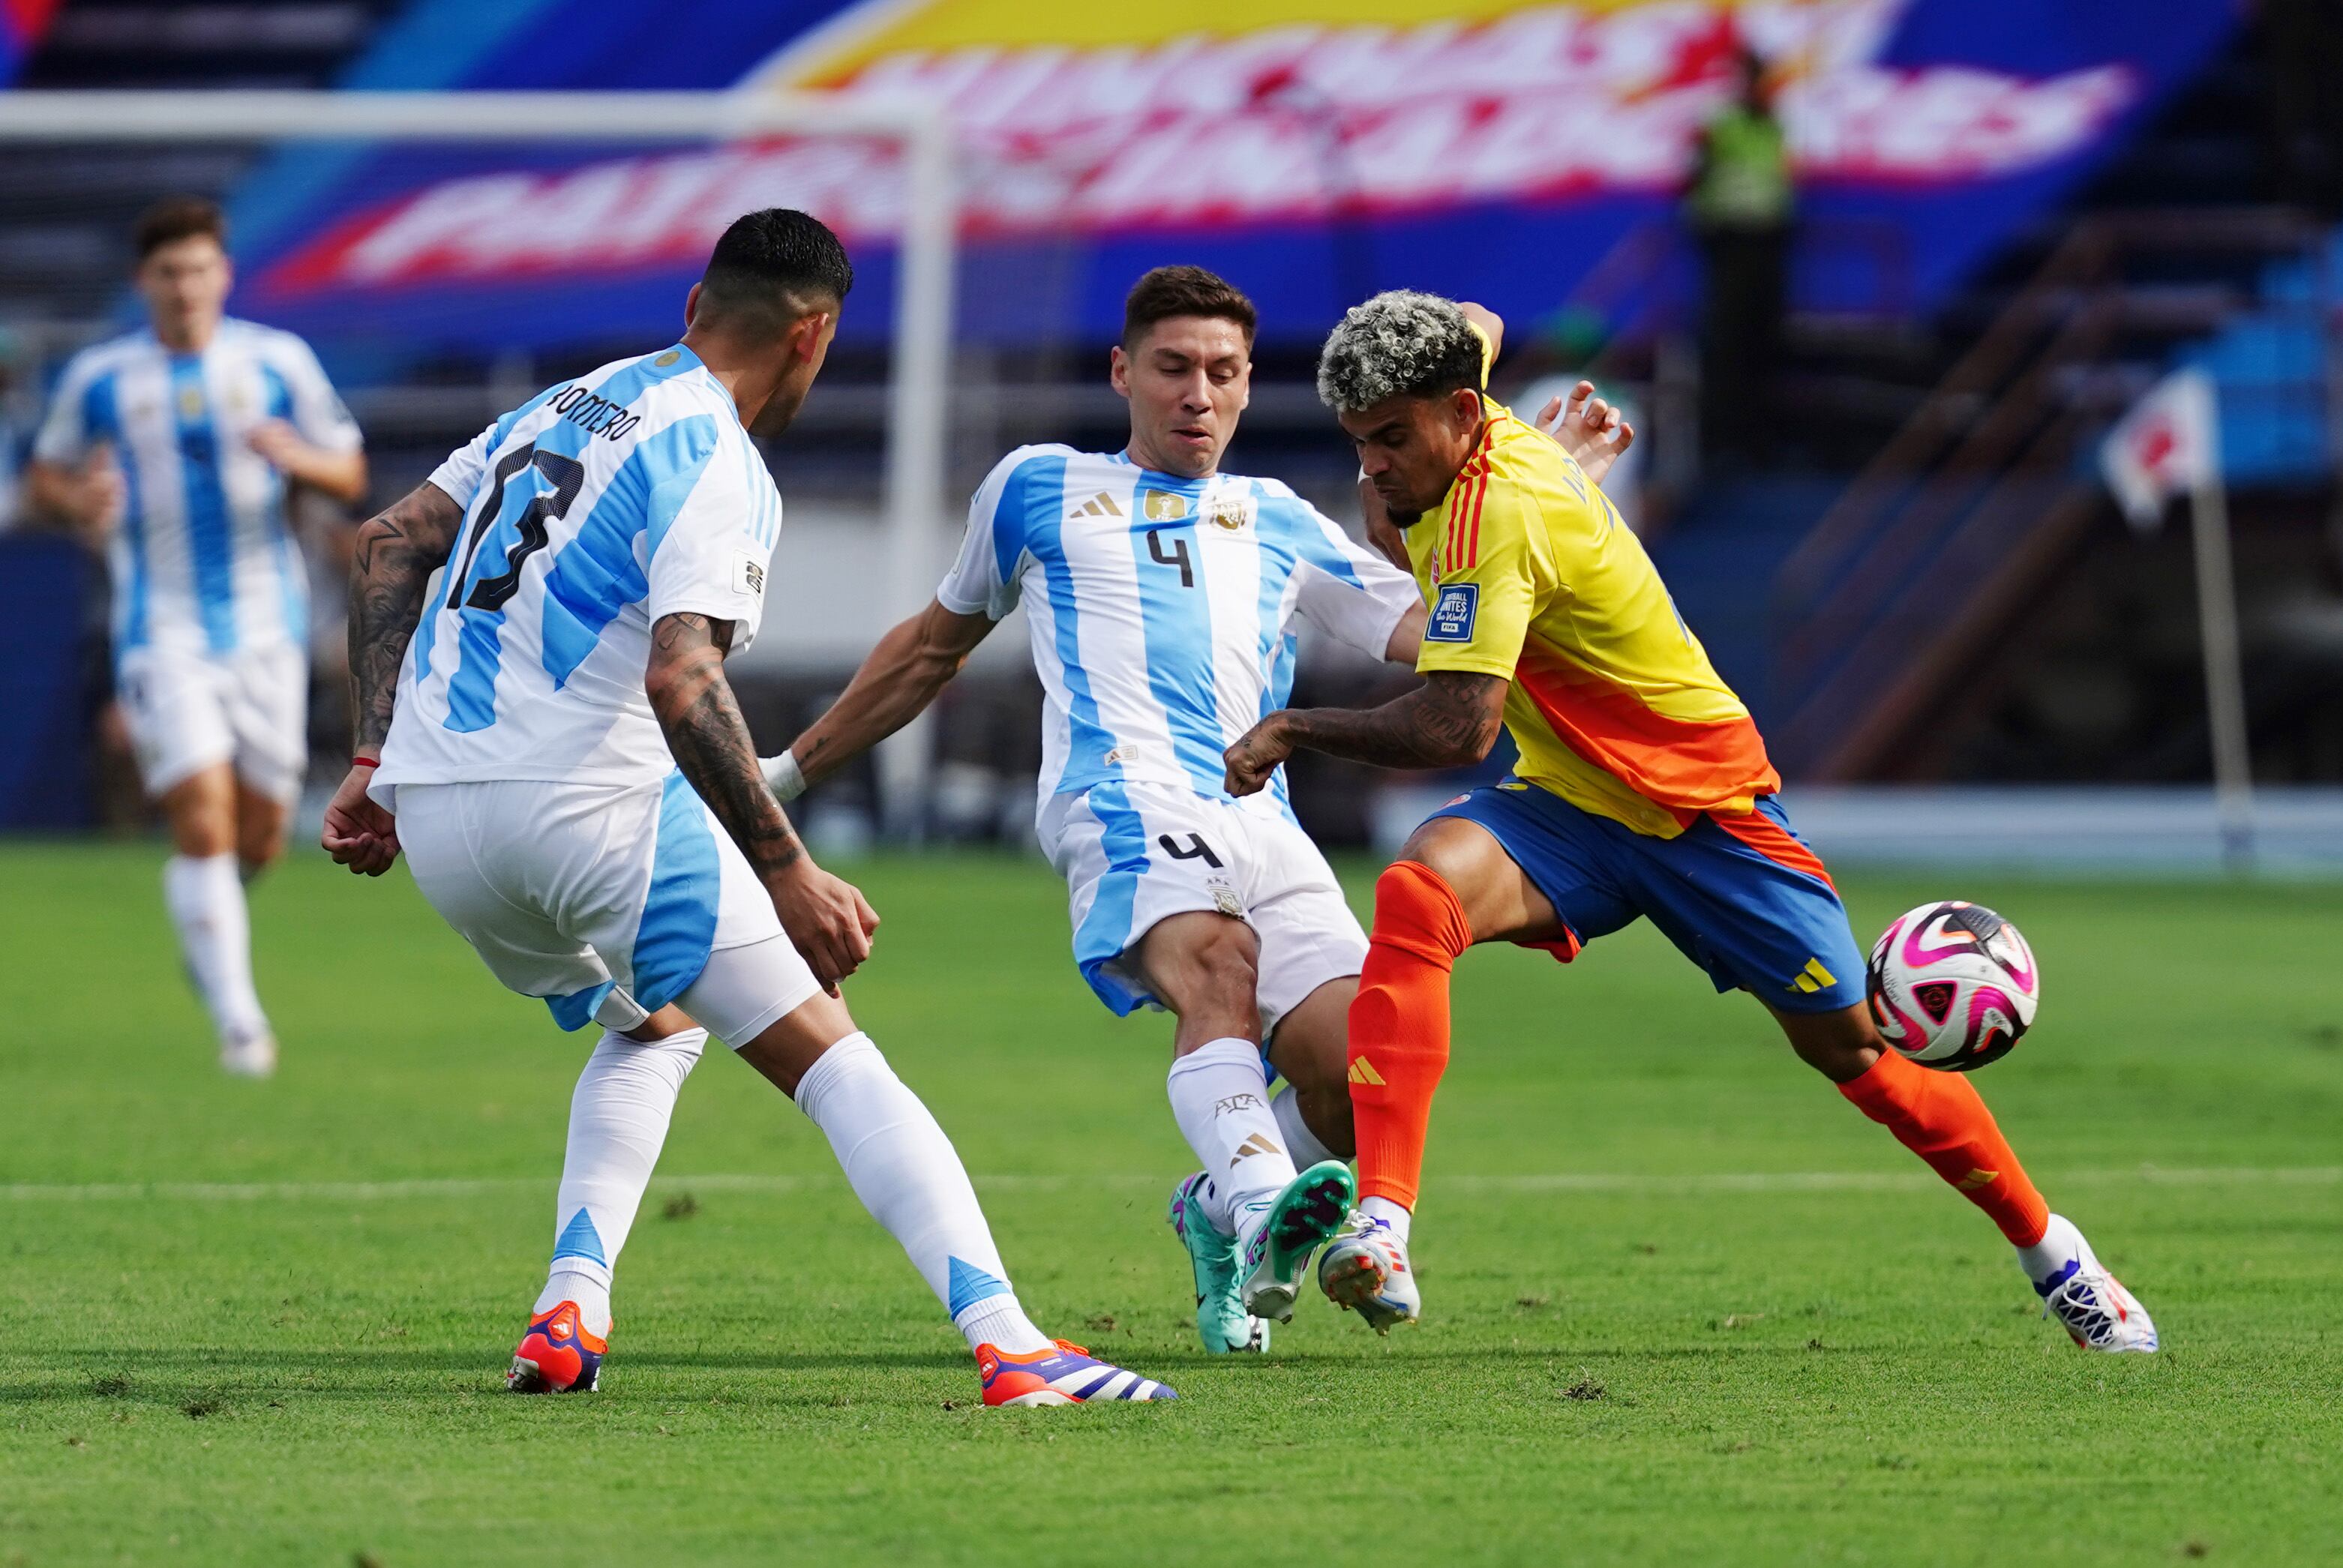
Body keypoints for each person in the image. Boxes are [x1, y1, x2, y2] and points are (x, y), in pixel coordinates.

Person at [319, 208, 1172, 1407]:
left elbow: (388, 539)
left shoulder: (570, 400)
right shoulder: (717, 458)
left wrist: (369, 751)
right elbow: (684, 676)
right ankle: (1012, 1342)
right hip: (590, 804)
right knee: (833, 1053)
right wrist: (787, 869)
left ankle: (573, 1300)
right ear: (814, 334)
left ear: (692, 307)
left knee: (655, 1021)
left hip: (445, 823)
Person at [1222, 291, 2158, 1354]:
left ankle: (2057, 1253)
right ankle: (1383, 1223)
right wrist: (1543, 451)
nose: (1374, 465)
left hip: (1706, 810)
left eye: (1391, 439)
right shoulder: (1468, 422)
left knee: (1857, 1054)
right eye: (1357, 442)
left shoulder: (1498, 517)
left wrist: (1293, 725)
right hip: (1574, 799)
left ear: (1462, 414)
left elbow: (1451, 725)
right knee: (1419, 887)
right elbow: (1479, 318)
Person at [765, 265, 1634, 1356]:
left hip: (1260, 818)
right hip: (1121, 798)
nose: (1198, 394)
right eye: (1173, 368)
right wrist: (786, 773)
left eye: (1223, 373)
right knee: (1215, 965)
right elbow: (930, 649)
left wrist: (1545, 502)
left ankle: (1218, 1205)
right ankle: (1270, 1202)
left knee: (1357, 1067)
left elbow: (1437, 631)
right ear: (1124, 372)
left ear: (1247, 382)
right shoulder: (1037, 486)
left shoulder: (1274, 515)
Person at [28, 196, 368, 1077]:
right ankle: (242, 1024)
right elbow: (44, 477)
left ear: (224, 274)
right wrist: (76, 501)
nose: (185, 288)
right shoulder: (103, 377)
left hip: (269, 624)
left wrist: (301, 459)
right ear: (144, 282)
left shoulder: (276, 361)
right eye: (168, 273)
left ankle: (206, 927)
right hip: (160, 625)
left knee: (260, 834)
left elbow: (349, 466)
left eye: (199, 270)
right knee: (204, 819)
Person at [1685, 48, 1793, 466]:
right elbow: (1694, 179)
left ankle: (1761, 443)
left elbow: (1782, 181)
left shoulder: (1777, 128)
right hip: (1729, 245)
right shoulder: (1720, 127)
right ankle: (1721, 441)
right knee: (1727, 342)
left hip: (1770, 243)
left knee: (1765, 343)